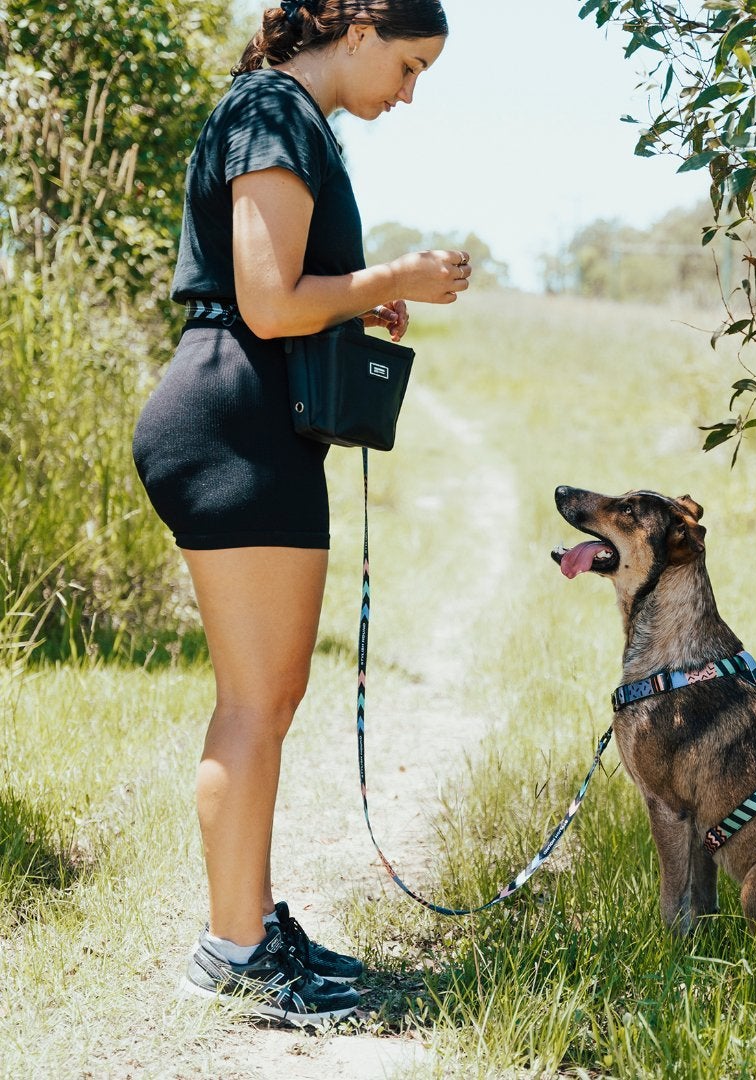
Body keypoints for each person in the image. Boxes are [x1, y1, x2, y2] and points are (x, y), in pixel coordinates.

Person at [132, 0, 468, 1027]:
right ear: (358, 33)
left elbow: (281, 293)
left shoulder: (289, 119)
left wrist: (357, 298)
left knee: (266, 704)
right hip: (232, 421)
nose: (408, 94)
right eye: (407, 67)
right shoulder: (274, 108)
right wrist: (394, 276)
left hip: (254, 424)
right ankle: (233, 951)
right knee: (252, 705)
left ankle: (249, 930)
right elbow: (268, 301)